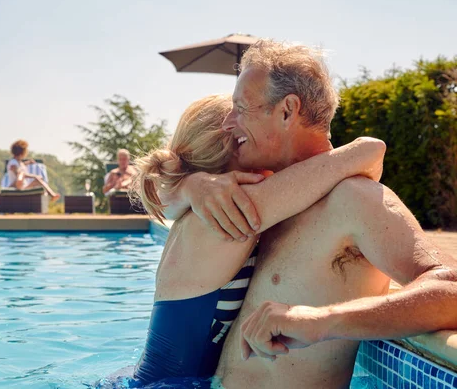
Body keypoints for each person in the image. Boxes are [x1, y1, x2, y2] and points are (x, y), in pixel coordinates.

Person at [159, 39, 457, 388]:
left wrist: (321, 320)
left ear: (287, 110)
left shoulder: (354, 200)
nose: (229, 122)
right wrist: (190, 185)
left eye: (241, 107)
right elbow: (158, 188)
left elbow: (449, 289)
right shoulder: (268, 200)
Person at [117, 94, 386, 387]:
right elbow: (367, 153)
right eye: (250, 136)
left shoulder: (202, 212)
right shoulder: (224, 218)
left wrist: (188, 185)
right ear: (235, 148)